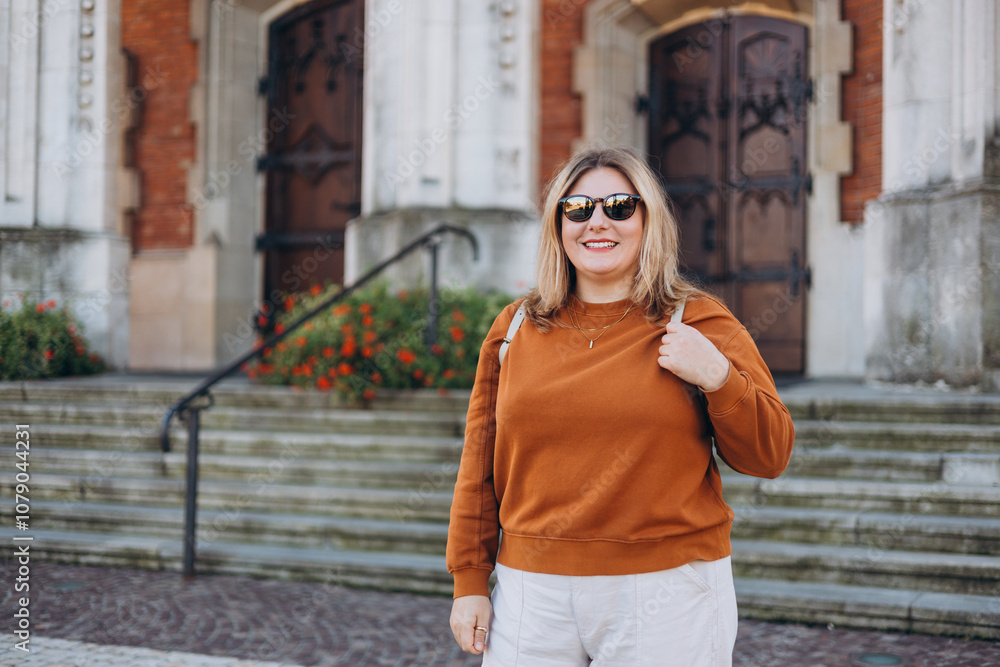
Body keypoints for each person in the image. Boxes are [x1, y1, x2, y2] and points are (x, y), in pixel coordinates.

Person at [447, 145, 795, 666]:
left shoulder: (697, 320)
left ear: (648, 217)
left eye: (619, 206)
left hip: (666, 592)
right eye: (578, 208)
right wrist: (470, 579)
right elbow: (479, 462)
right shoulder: (516, 326)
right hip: (531, 592)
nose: (597, 222)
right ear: (558, 224)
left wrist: (718, 377)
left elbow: (771, 455)